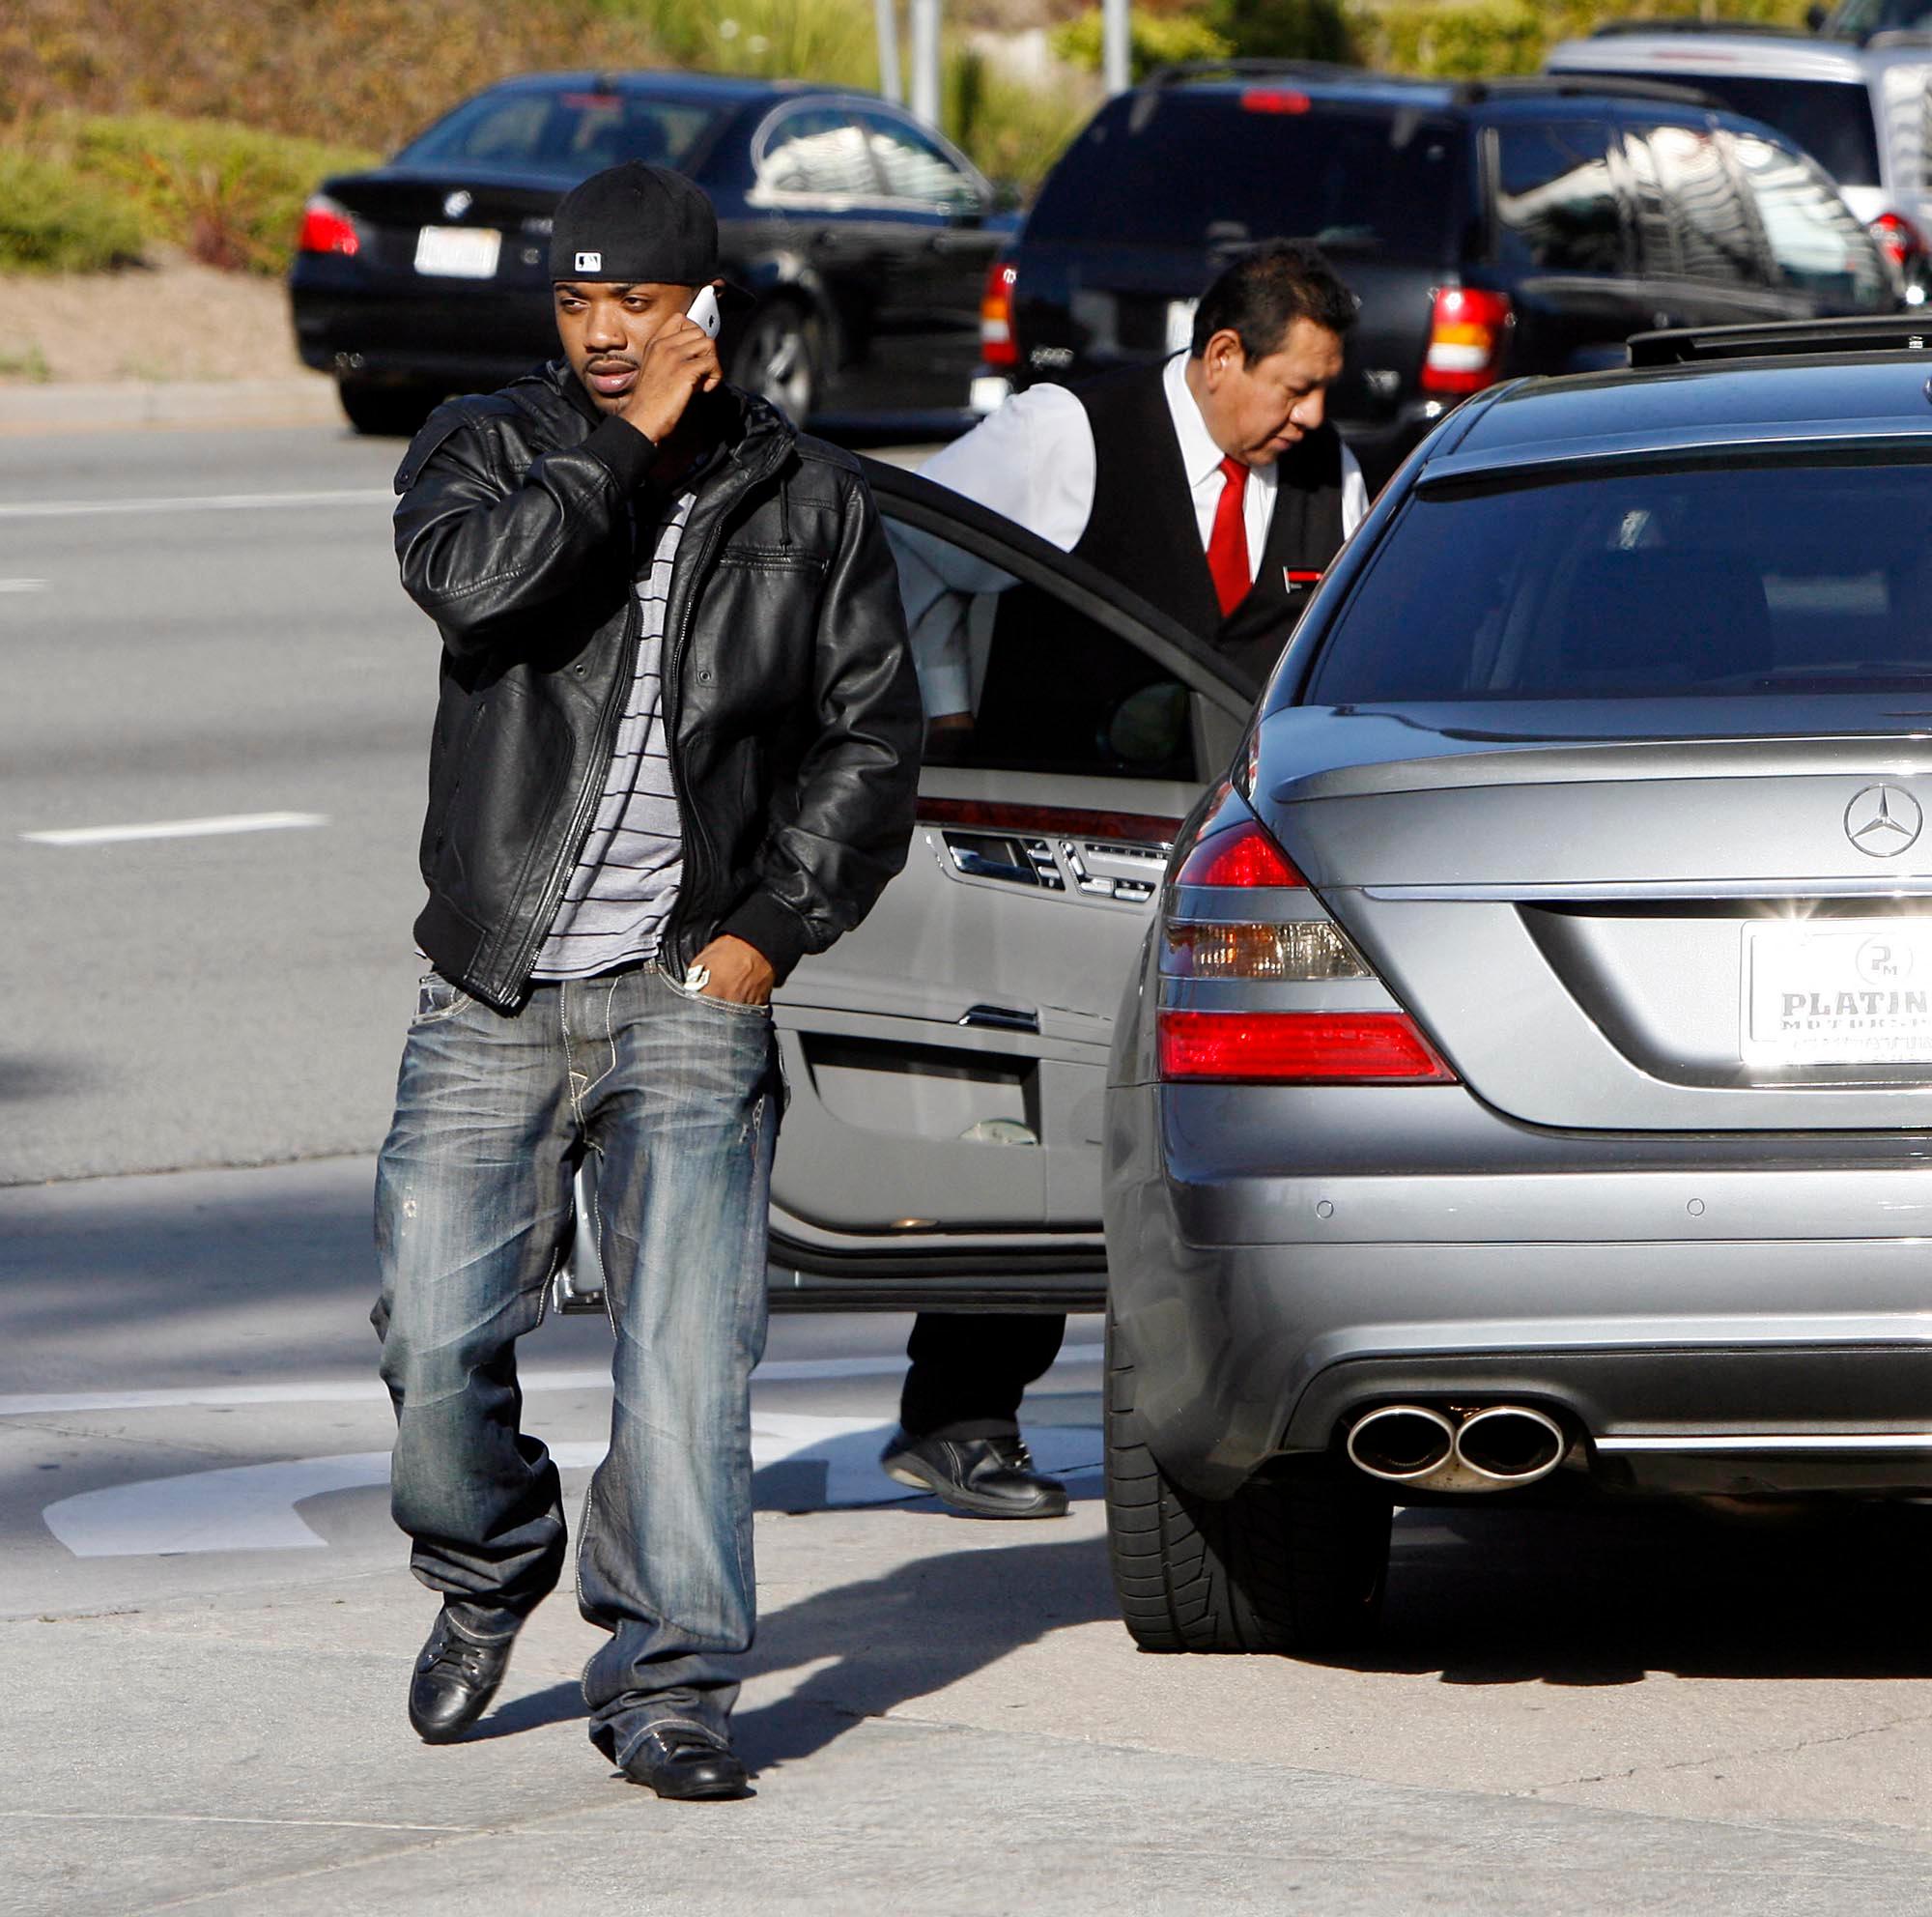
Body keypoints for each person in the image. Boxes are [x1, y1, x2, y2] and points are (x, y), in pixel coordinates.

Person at [371, 160, 922, 1800]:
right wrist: (621, 450)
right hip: (494, 985)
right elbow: (477, 588)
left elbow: (871, 741)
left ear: (705, 309)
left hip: (693, 990)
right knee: (429, 1344)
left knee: (689, 1366)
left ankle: (673, 1677)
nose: (606, 334)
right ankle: (491, 1562)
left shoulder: (809, 500)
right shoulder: (487, 447)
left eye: (637, 303)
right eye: (578, 303)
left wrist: (767, 935)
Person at [880, 239, 1368, 1520]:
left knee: (1214, 1139)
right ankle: (959, 1415)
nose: (1312, 419)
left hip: (1230, 880)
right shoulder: (1062, 434)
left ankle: (1229, 1415)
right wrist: (938, 729)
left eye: (1323, 393)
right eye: (1294, 389)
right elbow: (906, 561)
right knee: (1033, 1131)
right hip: (1052, 848)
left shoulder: (1335, 479)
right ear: (1220, 357)